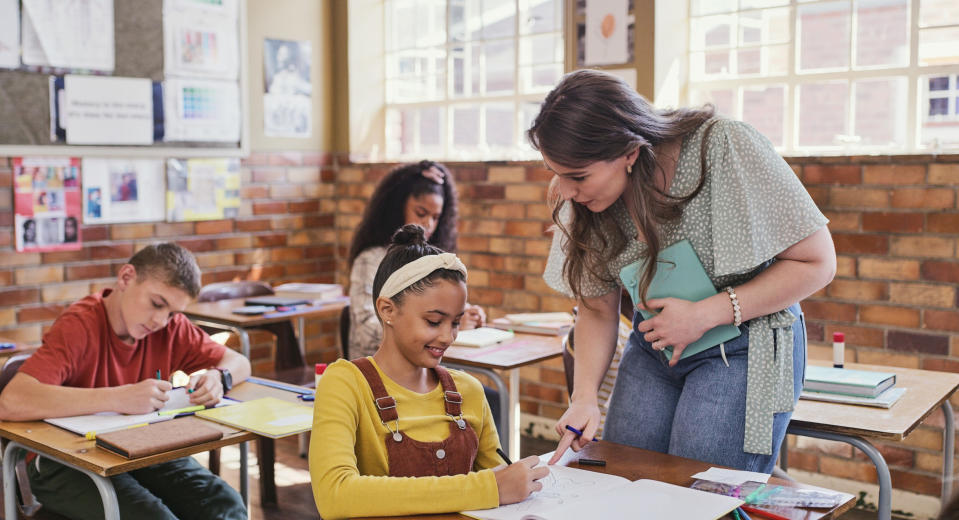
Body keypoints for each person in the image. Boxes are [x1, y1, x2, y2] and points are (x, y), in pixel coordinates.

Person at [529, 69, 836, 473]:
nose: (565, 190)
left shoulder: (723, 146)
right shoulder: (585, 198)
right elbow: (597, 308)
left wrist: (704, 315)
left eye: (578, 177)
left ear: (629, 152)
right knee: (622, 482)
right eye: (556, 172)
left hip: (742, 346)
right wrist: (584, 396)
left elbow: (816, 263)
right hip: (655, 344)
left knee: (698, 495)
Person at [310, 225, 548, 519]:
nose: (448, 337)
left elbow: (500, 485)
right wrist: (490, 488)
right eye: (434, 322)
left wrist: (507, 485)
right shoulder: (345, 383)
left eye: (456, 322)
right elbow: (335, 495)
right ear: (387, 310)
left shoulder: (469, 390)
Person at [0, 243, 251, 520]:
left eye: (172, 312)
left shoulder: (170, 327)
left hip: (140, 448)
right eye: (156, 304)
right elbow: (11, 402)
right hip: (63, 461)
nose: (160, 320)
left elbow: (239, 362)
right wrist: (118, 398)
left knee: (224, 503)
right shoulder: (79, 325)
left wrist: (220, 377)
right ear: (126, 278)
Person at [348, 160, 485, 360]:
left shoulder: (432, 261)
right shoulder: (369, 260)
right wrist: (433, 326)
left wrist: (465, 315)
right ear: (396, 207)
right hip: (381, 370)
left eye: (436, 217)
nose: (428, 223)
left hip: (425, 369)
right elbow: (365, 330)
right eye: (420, 213)